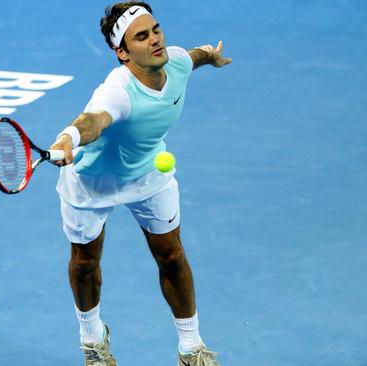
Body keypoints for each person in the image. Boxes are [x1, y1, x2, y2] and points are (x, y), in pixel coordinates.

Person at [49, 2, 232, 365]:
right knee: (85, 261)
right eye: (141, 36)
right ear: (122, 52)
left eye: (156, 30)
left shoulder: (176, 61)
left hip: (148, 172)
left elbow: (191, 57)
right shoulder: (118, 90)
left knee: (172, 255)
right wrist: (69, 136)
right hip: (92, 181)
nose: (155, 40)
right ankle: (93, 341)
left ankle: (191, 349)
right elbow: (94, 120)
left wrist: (209, 55)